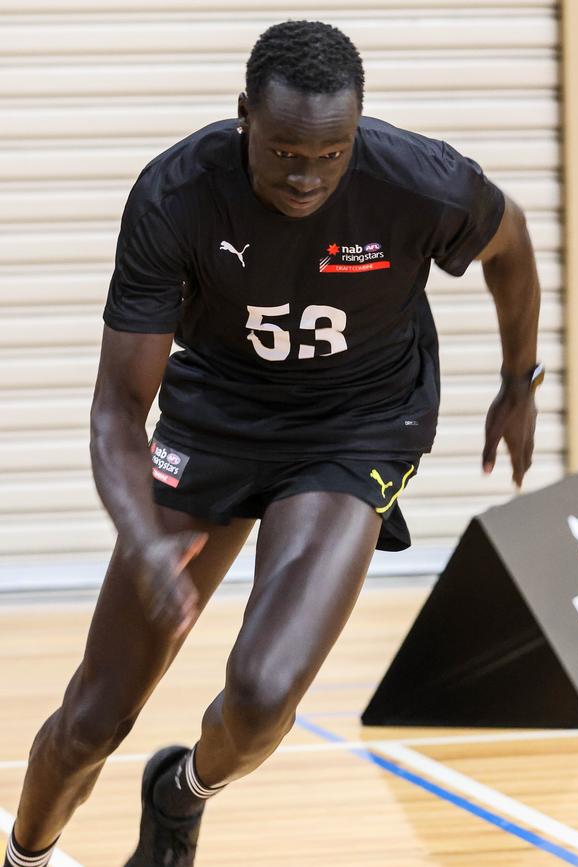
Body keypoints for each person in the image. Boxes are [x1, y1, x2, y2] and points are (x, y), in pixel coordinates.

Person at [3, 18, 544, 867]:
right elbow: (116, 411)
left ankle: (178, 793)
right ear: (245, 115)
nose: (306, 177)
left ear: (357, 133)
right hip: (216, 417)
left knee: (260, 698)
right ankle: (25, 855)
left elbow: (509, 246)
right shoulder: (177, 193)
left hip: (355, 424)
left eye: (330, 156)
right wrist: (143, 539)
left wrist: (520, 382)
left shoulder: (419, 181)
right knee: (91, 719)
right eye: (286, 152)